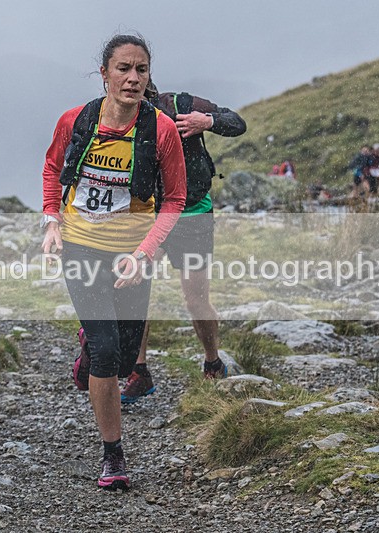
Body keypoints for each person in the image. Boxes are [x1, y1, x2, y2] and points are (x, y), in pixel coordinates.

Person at [41, 34, 186, 491]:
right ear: (103, 73)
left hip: (132, 255)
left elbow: (176, 198)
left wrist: (145, 253)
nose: (132, 78)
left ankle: (91, 347)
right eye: (123, 68)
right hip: (81, 247)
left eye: (140, 70)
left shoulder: (160, 130)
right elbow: (51, 168)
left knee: (123, 359)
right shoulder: (76, 120)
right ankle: (113, 454)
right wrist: (52, 222)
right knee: (107, 352)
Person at [119, 86, 247, 404]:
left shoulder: (180, 105)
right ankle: (139, 372)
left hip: (192, 214)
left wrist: (207, 121)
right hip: (149, 216)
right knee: (134, 291)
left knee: (195, 300)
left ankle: (213, 362)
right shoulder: (115, 120)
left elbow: (236, 122)